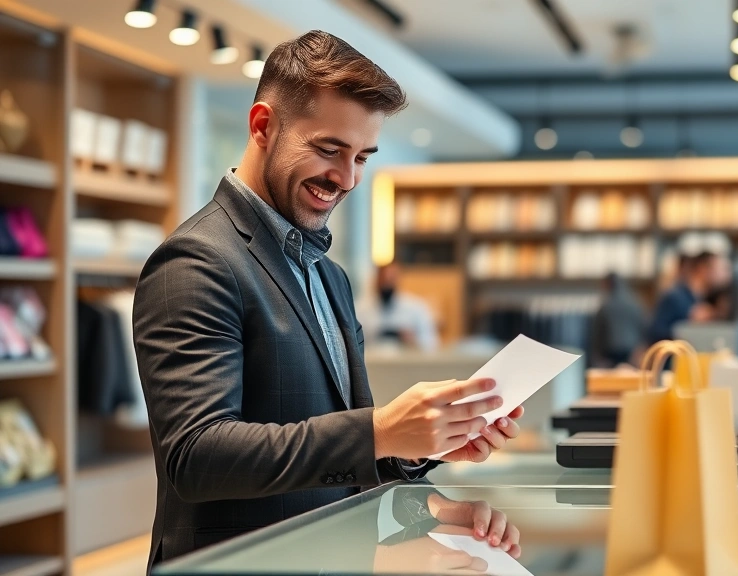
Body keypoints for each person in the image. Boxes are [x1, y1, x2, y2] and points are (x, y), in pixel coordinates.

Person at [132, 31, 522, 571]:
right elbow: (197, 455)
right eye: (328, 149)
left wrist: (418, 462)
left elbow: (336, 462)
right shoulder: (195, 262)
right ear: (263, 126)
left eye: (362, 156)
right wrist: (381, 429)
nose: (347, 178)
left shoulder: (330, 277)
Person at [648, 251, 733, 343]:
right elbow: (655, 334)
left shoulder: (703, 299)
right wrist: (689, 323)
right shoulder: (675, 298)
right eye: (722, 269)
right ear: (703, 269)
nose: (727, 276)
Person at [357, 262, 440, 352]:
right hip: (372, 362)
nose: (386, 284)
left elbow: (432, 343)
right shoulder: (360, 309)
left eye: (391, 279)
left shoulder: (417, 307)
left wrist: (412, 339)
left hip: (406, 363)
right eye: (383, 279)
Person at [592, 273, 648, 367]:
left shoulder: (606, 305)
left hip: (610, 353)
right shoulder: (635, 302)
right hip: (632, 352)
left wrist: (597, 356)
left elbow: (598, 334)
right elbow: (643, 327)